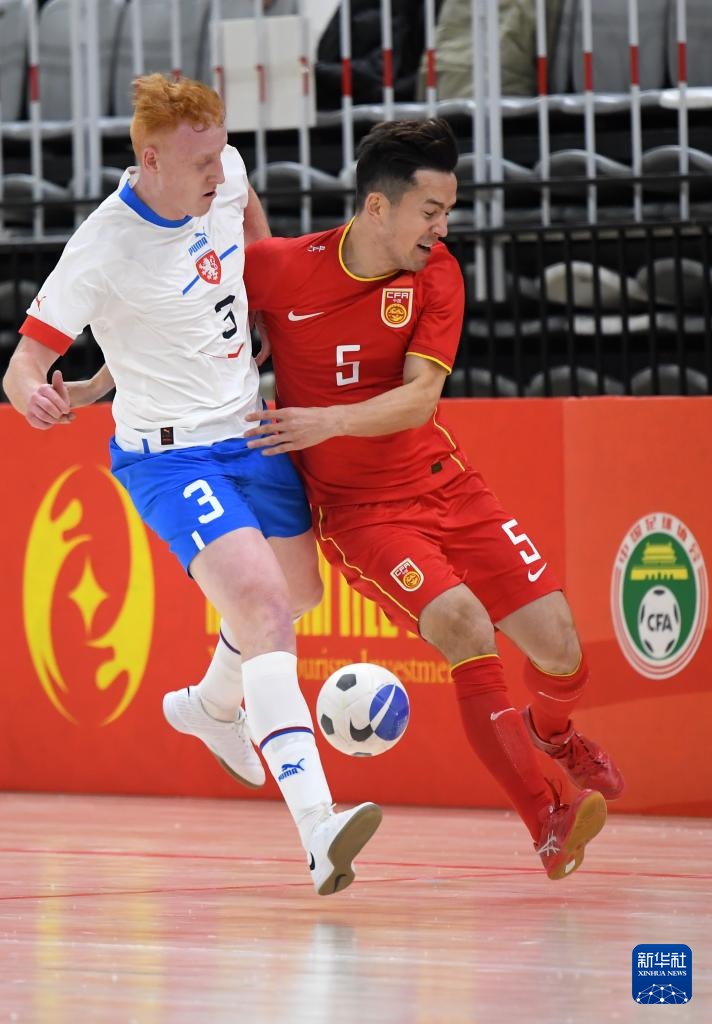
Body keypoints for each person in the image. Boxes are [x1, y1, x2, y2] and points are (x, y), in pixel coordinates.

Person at [60, 117, 623, 881]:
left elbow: (420, 400)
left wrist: (324, 421)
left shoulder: (437, 274)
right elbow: (178, 327)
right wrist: (101, 382)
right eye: (431, 211)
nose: (443, 227)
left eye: (448, 210)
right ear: (378, 207)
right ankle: (547, 819)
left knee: (562, 650)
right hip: (362, 514)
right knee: (463, 626)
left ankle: (553, 734)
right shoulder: (285, 268)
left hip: (446, 483)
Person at [1, 73, 382, 897]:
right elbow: (24, 361)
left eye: (220, 152)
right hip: (171, 457)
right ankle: (318, 827)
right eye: (200, 160)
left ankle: (211, 706)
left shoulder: (227, 173)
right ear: (150, 160)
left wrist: (264, 307)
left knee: (301, 592)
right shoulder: (103, 247)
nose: (219, 170)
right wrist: (39, 395)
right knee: (263, 607)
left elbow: (247, 229)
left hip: (248, 425)